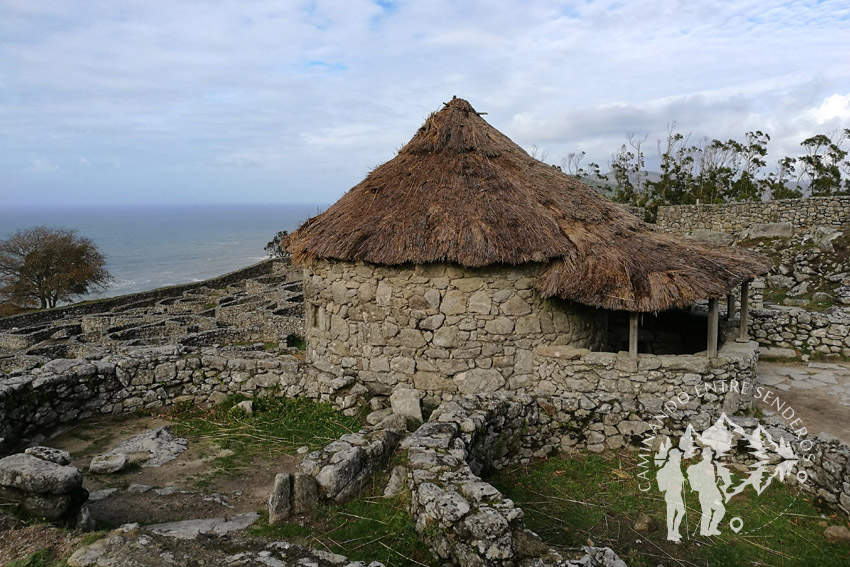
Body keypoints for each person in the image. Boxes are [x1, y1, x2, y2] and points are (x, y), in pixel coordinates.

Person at [686, 446, 725, 536]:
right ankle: (704, 531)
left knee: (720, 510)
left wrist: (717, 480)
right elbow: (690, 470)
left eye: (710, 455)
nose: (708, 457)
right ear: (703, 456)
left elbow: (711, 480)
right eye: (706, 455)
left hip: (713, 492)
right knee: (707, 512)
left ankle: (712, 528)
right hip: (705, 493)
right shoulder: (700, 466)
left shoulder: (711, 466)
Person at [656, 448, 686, 542]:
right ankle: (670, 534)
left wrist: (682, 480)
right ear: (673, 457)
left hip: (676, 493)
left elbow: (679, 477)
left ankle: (675, 531)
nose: (680, 458)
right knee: (672, 514)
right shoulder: (670, 466)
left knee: (681, 511)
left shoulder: (676, 466)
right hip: (672, 494)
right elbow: (671, 479)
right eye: (679, 456)